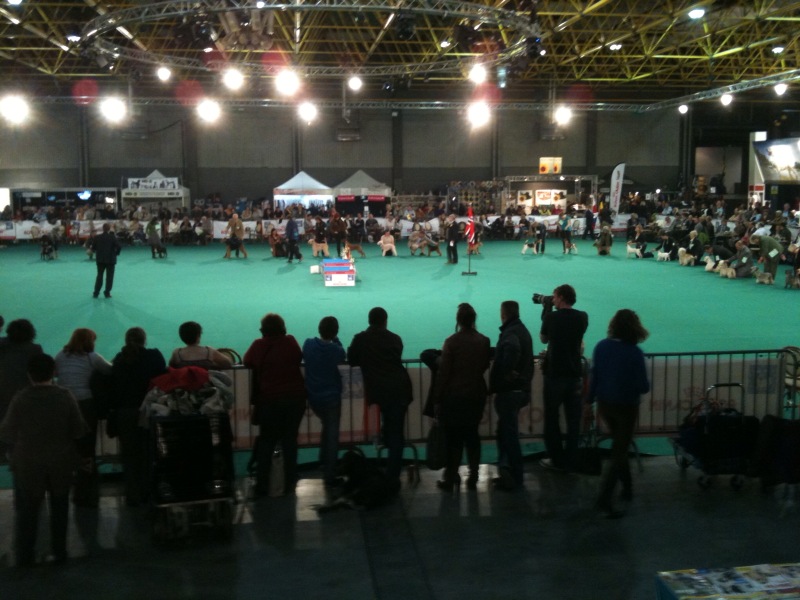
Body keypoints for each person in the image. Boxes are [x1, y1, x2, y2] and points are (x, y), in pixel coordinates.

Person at [0, 353, 88, 567]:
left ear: (29, 374)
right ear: (54, 372)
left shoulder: (21, 398)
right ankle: (60, 551)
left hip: (28, 462)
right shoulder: (65, 396)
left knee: (28, 511)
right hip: (61, 461)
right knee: (60, 507)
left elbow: (7, 432)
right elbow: (79, 430)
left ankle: (26, 555)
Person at [589, 309, 650, 518]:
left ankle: (628, 488)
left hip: (605, 405)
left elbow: (595, 377)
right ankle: (604, 498)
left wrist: (588, 402)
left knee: (619, 446)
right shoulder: (635, 353)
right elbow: (643, 386)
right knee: (619, 451)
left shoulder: (601, 346)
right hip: (626, 407)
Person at [347, 307, 412, 489]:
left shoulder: (361, 339)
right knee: (396, 434)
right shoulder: (395, 338)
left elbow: (351, 359)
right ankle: (392, 477)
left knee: (392, 433)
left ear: (369, 321)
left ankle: (389, 476)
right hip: (400, 389)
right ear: (385, 321)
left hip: (381, 392)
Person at [244, 313, 306, 497]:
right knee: (290, 440)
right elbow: (298, 357)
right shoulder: (290, 342)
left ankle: (262, 484)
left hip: (269, 401)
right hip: (294, 400)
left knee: (267, 441)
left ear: (263, 330)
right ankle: (290, 480)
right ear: (283, 328)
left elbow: (247, 361)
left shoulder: (258, 345)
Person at [431, 303, 491, 491]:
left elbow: (444, 373)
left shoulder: (451, 342)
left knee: (454, 438)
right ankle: (474, 476)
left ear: (458, 320)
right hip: (476, 394)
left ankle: (451, 478)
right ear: (474, 320)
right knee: (472, 435)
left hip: (454, 396)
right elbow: (484, 365)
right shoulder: (484, 341)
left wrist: (437, 399)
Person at [54, 328, 112, 507]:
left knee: (67, 446)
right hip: (85, 405)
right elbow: (110, 371)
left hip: (63, 405)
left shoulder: (60, 356)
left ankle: (62, 489)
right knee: (87, 448)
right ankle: (86, 491)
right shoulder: (92, 357)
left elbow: (55, 374)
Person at [110, 327, 166, 506]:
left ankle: (133, 496)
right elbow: (163, 378)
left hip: (125, 412)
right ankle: (149, 492)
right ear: (144, 340)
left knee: (129, 455)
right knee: (149, 452)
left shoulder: (119, 359)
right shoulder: (154, 356)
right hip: (149, 412)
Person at [539, 284, 589, 472]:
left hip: (555, 375)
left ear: (560, 297)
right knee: (573, 421)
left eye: (554, 296)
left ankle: (556, 459)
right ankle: (571, 459)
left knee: (552, 420)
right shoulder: (582, 317)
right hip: (574, 374)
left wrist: (547, 309)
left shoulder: (551, 317)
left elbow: (543, 339)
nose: (552, 299)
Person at [488, 300, 534, 490]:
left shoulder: (511, 333)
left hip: (510, 392)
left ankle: (515, 477)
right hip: (520, 390)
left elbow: (513, 350)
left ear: (503, 314)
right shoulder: (521, 330)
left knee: (509, 435)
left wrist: (505, 373)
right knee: (504, 433)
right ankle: (506, 472)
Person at [302, 316, 346, 487]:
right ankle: (329, 475)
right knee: (332, 436)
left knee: (327, 429)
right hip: (331, 398)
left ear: (319, 329)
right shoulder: (336, 350)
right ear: (335, 332)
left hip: (313, 397)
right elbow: (342, 353)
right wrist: (336, 340)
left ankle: (322, 461)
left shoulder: (308, 344)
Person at [0, 319, 44, 460]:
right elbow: (39, 374)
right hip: (25, 397)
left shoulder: (2, 345)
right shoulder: (35, 349)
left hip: (3, 395)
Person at [168, 321, 233, 370]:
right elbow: (227, 363)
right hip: (206, 384)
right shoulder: (209, 351)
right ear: (198, 335)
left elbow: (171, 367)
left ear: (181, 336)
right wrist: (213, 364)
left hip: (184, 384)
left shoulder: (177, 353)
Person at [91, 222, 121, 298]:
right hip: (110, 260)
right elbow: (119, 246)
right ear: (109, 229)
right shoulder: (112, 237)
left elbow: (93, 248)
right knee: (109, 277)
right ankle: (107, 292)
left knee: (99, 276)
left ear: (102, 229)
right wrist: (116, 253)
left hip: (100, 259)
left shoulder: (97, 237)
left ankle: (96, 293)